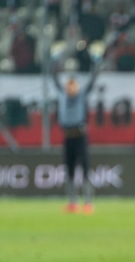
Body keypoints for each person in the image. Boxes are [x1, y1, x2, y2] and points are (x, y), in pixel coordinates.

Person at [52, 61, 100, 214]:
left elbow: (92, 81)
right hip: (68, 136)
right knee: (69, 171)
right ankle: (72, 203)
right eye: (68, 86)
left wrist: (95, 64)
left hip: (80, 136)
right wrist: (54, 62)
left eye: (72, 86)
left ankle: (88, 203)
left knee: (85, 170)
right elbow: (54, 79)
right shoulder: (62, 95)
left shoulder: (81, 96)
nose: (69, 88)